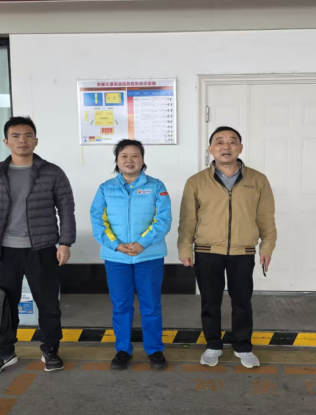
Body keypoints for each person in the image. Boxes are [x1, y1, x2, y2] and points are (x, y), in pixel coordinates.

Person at [0, 116, 76, 375]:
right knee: (4, 305)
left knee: (48, 304)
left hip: (42, 249)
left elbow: (66, 208)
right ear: (6, 142)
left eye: (28, 135)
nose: (22, 140)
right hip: (3, 251)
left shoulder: (52, 172)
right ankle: (4, 351)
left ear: (36, 141)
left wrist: (65, 243)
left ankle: (50, 348)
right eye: (16, 136)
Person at [178, 126, 277, 368]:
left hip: (242, 252)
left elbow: (266, 218)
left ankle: (242, 347)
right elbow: (188, 219)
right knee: (210, 302)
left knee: (242, 302)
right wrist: (184, 248)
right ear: (210, 149)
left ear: (240, 148)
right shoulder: (196, 182)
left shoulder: (258, 180)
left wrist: (267, 246)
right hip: (207, 251)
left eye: (232, 142)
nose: (226, 146)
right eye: (219, 142)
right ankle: (213, 345)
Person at [90, 139, 172, 370]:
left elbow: (163, 219)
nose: (129, 160)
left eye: (135, 155)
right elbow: (98, 220)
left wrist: (142, 243)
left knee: (151, 306)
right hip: (116, 258)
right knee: (121, 306)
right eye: (124, 156)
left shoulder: (156, 186)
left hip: (149, 256)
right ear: (117, 160)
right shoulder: (105, 188)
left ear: (143, 160)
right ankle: (123, 349)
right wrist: (116, 245)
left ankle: (154, 350)